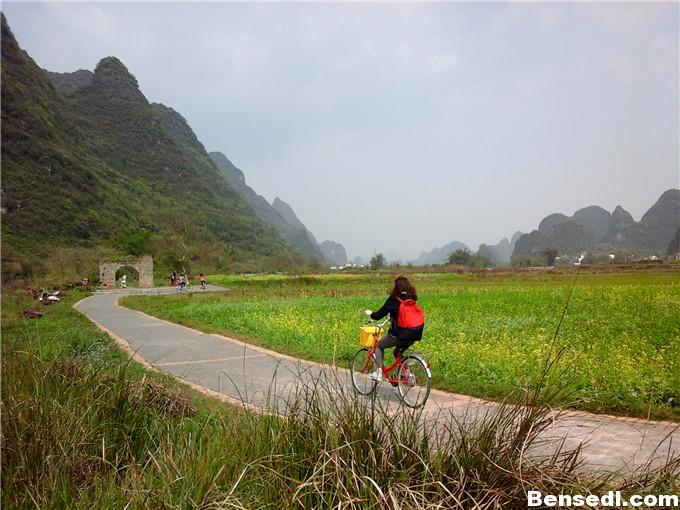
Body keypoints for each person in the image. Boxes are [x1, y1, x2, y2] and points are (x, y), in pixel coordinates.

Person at [364, 276, 424, 380]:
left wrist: (370, 313)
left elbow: (378, 315)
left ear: (396, 287)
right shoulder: (412, 299)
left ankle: (378, 373)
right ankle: (407, 373)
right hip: (414, 334)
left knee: (379, 346)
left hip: (398, 335)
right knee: (397, 352)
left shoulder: (393, 300)